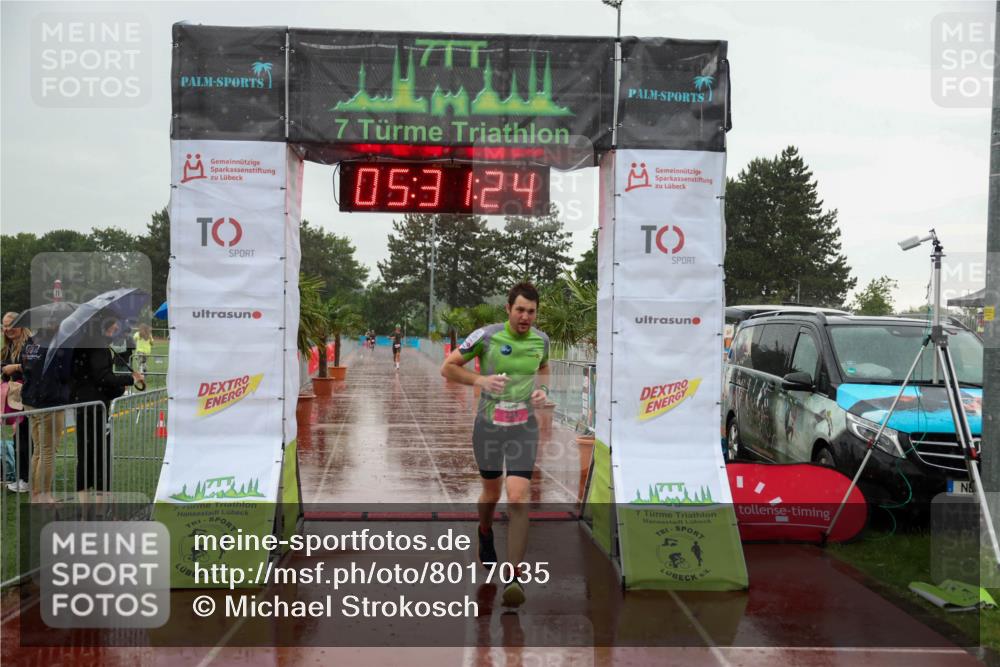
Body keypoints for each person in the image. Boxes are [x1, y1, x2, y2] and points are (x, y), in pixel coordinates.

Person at [440, 282, 550, 607]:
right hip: (488, 427)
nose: (525, 317)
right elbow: (447, 367)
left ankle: (514, 576)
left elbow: (543, 370)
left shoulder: (541, 341)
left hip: (523, 428)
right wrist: (480, 380)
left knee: (517, 496)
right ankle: (485, 531)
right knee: (492, 492)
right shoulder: (486, 336)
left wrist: (543, 392)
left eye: (531, 311)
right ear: (508, 309)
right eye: (520, 310)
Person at [69, 313, 144, 497]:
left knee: (85, 455)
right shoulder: (98, 348)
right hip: (95, 408)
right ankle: (102, 507)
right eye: (113, 327)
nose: (115, 330)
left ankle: (85, 508)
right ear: (103, 327)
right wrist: (130, 378)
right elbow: (103, 378)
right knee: (100, 455)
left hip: (82, 404)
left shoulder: (80, 346)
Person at [20, 317, 71, 502]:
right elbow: (65, 374)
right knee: (48, 451)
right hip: (49, 401)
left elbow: (24, 366)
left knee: (39, 450)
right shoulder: (60, 344)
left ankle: (36, 493)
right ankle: (42, 495)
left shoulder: (31, 341)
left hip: (30, 399)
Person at [1, 312, 31, 493]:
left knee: (25, 438)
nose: (7, 329)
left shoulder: (30, 344)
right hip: (15, 400)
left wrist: (16, 367)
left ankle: (26, 479)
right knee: (18, 437)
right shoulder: (8, 347)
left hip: (28, 399)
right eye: (4, 326)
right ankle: (21, 477)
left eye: (11, 324)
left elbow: (35, 367)